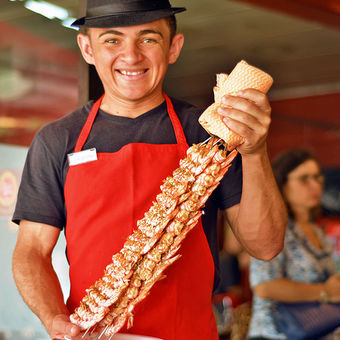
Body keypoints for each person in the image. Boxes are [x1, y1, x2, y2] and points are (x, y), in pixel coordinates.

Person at [11, 1, 287, 339]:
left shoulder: (209, 133)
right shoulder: (59, 140)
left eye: (148, 39)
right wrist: (53, 317)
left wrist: (256, 152)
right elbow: (32, 251)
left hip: (189, 332)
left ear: (174, 48)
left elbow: (265, 246)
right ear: (87, 48)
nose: (131, 56)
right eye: (112, 40)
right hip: (92, 334)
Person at [248, 149, 340, 340]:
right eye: (304, 179)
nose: (315, 185)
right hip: (275, 333)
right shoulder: (273, 229)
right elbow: (265, 286)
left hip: (314, 330)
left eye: (317, 177)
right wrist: (324, 292)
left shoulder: (316, 229)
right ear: (282, 184)